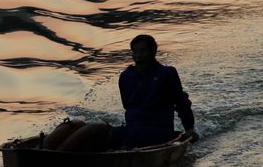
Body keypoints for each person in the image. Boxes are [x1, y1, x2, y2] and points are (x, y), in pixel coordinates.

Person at [44, 34, 198, 151]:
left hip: (158, 131)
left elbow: (182, 102)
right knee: (76, 124)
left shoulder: (167, 73)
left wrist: (189, 128)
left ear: (153, 52)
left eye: (143, 51)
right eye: (135, 51)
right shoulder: (126, 77)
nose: (138, 55)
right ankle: (46, 151)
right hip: (131, 130)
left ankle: (56, 158)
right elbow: (128, 106)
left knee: (98, 129)